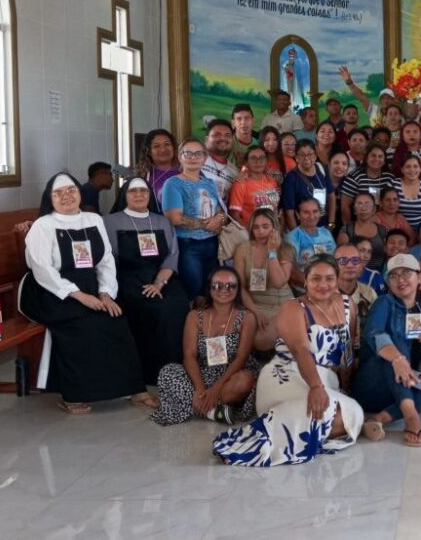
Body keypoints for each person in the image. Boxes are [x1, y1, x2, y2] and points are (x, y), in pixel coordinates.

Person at [18, 173, 156, 414]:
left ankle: (134, 388)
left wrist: (105, 293)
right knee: (79, 322)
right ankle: (74, 394)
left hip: (90, 285)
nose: (66, 196)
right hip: (49, 290)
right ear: (50, 198)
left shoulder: (93, 219)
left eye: (71, 190)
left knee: (116, 319)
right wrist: (80, 296)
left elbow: (105, 260)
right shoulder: (43, 225)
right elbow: (42, 269)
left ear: (79, 193)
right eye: (58, 193)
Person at [213, 255, 363, 466]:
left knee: (354, 413)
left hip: (326, 381)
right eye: (316, 279)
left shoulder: (347, 305)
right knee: (331, 412)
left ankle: (301, 432)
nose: (323, 284)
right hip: (286, 375)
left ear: (337, 280)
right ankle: (256, 440)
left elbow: (347, 350)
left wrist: (345, 386)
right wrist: (316, 387)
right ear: (305, 281)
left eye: (329, 278)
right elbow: (301, 350)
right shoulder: (293, 308)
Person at [354, 254, 421, 447]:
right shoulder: (384, 303)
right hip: (372, 385)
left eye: (406, 273)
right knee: (394, 347)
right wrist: (398, 359)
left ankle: (380, 418)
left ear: (420, 277)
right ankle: (411, 416)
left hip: (401, 388)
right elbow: (374, 333)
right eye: (394, 276)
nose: (400, 280)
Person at [104, 178, 189, 385]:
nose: (139, 195)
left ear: (150, 195)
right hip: (126, 277)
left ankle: (173, 370)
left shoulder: (162, 221)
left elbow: (172, 255)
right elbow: (106, 258)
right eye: (133, 191)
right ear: (124, 195)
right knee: (152, 307)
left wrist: (159, 283)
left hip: (161, 276)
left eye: (143, 191)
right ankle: (147, 373)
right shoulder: (109, 221)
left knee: (177, 303)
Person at [152, 268, 260, 426]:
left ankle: (200, 405)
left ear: (237, 290)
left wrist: (216, 389)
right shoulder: (195, 316)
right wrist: (200, 388)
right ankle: (213, 410)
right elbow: (189, 355)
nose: (224, 290)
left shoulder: (247, 317)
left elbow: (241, 357)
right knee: (168, 372)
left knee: (245, 381)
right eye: (217, 285)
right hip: (201, 372)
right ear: (209, 288)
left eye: (231, 286)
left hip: (232, 372)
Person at [162, 139, 227, 297]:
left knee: (209, 291)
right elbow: (174, 218)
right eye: (188, 153)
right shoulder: (173, 183)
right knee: (192, 289)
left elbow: (221, 211)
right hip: (187, 245)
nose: (193, 157)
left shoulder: (209, 183)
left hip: (213, 243)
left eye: (198, 154)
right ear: (180, 156)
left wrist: (219, 218)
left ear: (204, 158)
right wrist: (206, 224)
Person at [233, 208, 295, 350]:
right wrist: (255, 312)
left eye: (265, 226)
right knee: (245, 337)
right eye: (256, 227)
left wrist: (272, 252)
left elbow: (279, 282)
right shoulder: (243, 250)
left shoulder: (286, 249)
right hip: (254, 304)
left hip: (281, 304)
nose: (260, 231)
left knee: (262, 341)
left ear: (274, 228)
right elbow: (240, 287)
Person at [285, 197, 336, 292]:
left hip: (330, 288)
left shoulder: (326, 233)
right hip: (304, 291)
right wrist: (315, 287)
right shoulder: (292, 238)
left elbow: (336, 260)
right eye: (306, 212)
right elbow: (292, 272)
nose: (312, 216)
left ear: (320, 213)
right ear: (298, 215)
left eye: (315, 211)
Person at [281, 139, 335, 230]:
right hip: (303, 229)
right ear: (296, 157)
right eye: (302, 155)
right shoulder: (291, 178)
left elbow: (331, 196)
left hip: (324, 228)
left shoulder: (322, 169)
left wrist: (331, 224)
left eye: (310, 154)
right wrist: (298, 235)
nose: (306, 158)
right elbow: (289, 212)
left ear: (315, 156)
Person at [340, 145, 395, 227]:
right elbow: (345, 206)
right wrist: (349, 228)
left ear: (384, 161)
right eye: (373, 155)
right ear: (366, 158)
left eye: (380, 156)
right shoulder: (354, 177)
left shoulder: (390, 178)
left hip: (385, 223)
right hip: (359, 223)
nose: (376, 159)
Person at [227, 146, 281, 228]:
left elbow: (275, 209)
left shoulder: (272, 181)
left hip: (271, 230)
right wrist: (251, 232)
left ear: (266, 161)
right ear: (246, 162)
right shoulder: (240, 184)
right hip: (251, 230)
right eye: (253, 158)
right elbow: (234, 215)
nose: (258, 161)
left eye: (262, 158)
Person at [335, 243, 379, 334]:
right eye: (343, 261)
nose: (350, 265)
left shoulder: (369, 293)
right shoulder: (325, 293)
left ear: (360, 266)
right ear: (334, 265)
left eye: (355, 260)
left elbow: (375, 327)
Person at [339, 194, 388, 271]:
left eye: (367, 204)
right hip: (354, 272)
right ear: (354, 210)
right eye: (359, 204)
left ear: (374, 209)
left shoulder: (382, 230)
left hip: (379, 273)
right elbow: (342, 258)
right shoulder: (347, 230)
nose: (363, 208)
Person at [392, 155, 421, 231]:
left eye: (415, 166)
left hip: (420, 231)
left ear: (420, 169)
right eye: (408, 167)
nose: (412, 170)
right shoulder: (393, 185)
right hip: (396, 230)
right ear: (402, 169)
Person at [136, 128, 181, 204]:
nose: (163, 149)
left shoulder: (186, 170)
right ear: (149, 151)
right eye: (156, 146)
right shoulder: (143, 175)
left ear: (174, 147)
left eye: (167, 144)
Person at [201, 119, 238, 206]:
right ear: (206, 139)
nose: (223, 138)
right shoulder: (195, 160)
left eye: (227, 135)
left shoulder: (235, 172)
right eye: (217, 135)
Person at [230, 103, 257, 167]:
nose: (243, 122)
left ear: (253, 120)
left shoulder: (259, 144)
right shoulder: (227, 143)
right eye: (239, 119)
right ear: (233, 123)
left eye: (247, 118)